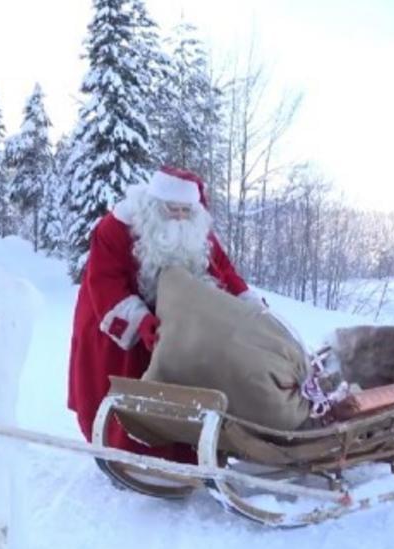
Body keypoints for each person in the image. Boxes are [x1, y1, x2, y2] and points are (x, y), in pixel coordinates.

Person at [67, 167, 262, 485]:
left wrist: (247, 302)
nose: (181, 217)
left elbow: (222, 269)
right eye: (174, 209)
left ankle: (188, 451)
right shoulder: (116, 228)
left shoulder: (197, 229)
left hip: (177, 320)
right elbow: (105, 283)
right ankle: (128, 453)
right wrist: (140, 320)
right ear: (156, 203)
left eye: (188, 210)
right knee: (133, 383)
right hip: (117, 319)